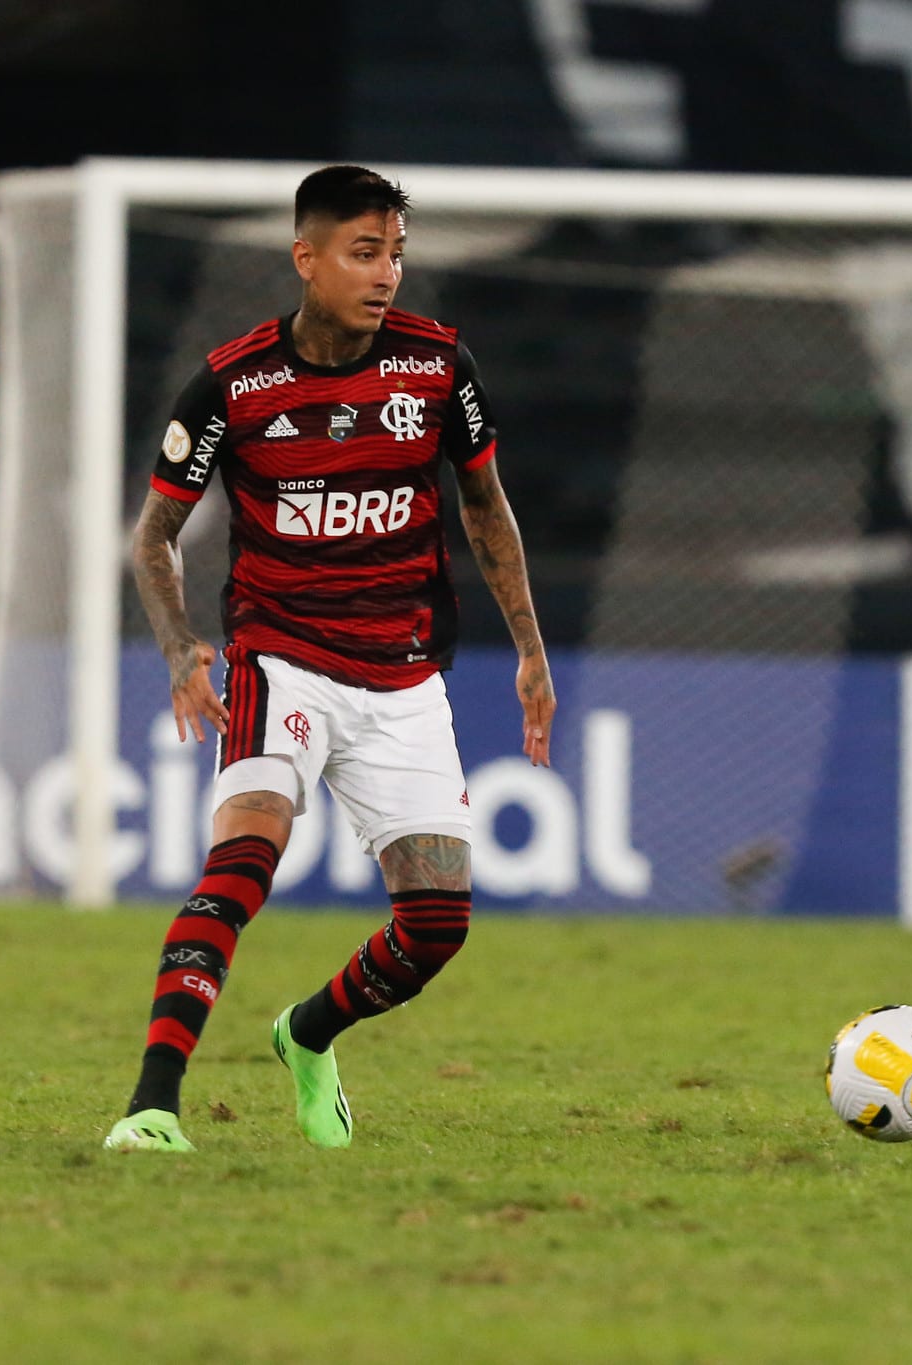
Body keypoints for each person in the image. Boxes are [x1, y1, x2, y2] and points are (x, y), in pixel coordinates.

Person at [102, 165, 556, 1154]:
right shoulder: (234, 383)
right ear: (304, 259)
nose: (385, 272)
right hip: (281, 657)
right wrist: (184, 651)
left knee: (434, 926)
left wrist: (529, 651)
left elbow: (484, 510)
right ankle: (151, 1104)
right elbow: (151, 538)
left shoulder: (437, 369)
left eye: (395, 252)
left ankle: (307, 1036)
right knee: (242, 863)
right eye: (363, 252)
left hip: (401, 673)